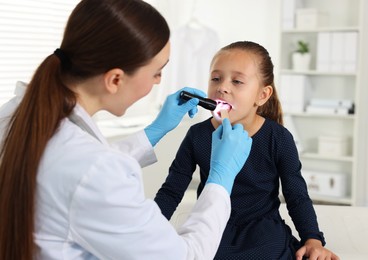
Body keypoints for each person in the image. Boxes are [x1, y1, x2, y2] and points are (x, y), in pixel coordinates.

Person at [0, 1, 253, 259]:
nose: (159, 81)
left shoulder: (14, 113)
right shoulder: (94, 170)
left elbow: (80, 170)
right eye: (157, 72)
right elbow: (187, 256)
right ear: (115, 79)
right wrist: (221, 179)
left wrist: (154, 131)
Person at [155, 41, 340, 260]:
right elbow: (172, 190)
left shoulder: (278, 138)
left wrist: (313, 239)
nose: (222, 87)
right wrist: (147, 230)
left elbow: (296, 195)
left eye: (237, 81)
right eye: (215, 78)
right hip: (214, 224)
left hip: (262, 229)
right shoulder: (197, 136)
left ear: (262, 95)